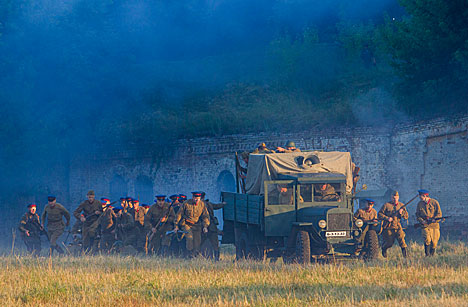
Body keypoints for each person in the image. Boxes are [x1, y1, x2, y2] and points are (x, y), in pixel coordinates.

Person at [173, 191, 210, 258]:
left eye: (198, 198)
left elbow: (205, 216)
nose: (196, 199)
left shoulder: (202, 205)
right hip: (187, 224)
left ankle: (195, 255)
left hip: (197, 225)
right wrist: (176, 226)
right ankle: (189, 255)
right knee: (190, 238)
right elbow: (179, 215)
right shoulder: (186, 203)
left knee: (197, 242)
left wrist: (205, 226)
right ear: (193, 197)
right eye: (195, 198)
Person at [378, 191, 409, 258]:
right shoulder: (386, 205)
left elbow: (406, 216)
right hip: (389, 227)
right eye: (393, 198)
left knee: (402, 241)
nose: (395, 199)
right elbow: (379, 214)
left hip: (398, 226)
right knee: (389, 243)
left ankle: (406, 257)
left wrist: (402, 213)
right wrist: (387, 218)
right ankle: (384, 248)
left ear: (398, 198)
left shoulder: (401, 205)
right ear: (391, 198)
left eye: (396, 198)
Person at [415, 189, 442, 256]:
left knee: (434, 242)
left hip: (434, 225)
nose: (419, 197)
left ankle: (431, 255)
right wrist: (422, 221)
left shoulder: (434, 202)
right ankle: (427, 255)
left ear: (425, 196)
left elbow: (439, 214)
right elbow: (417, 215)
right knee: (427, 240)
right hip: (425, 225)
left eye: (420, 196)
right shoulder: (420, 204)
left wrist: (435, 219)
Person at [200, 192, 225, 260]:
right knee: (199, 243)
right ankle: (197, 256)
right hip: (202, 227)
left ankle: (216, 258)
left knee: (215, 243)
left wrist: (222, 204)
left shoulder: (208, 204)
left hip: (211, 227)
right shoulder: (197, 205)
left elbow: (216, 206)